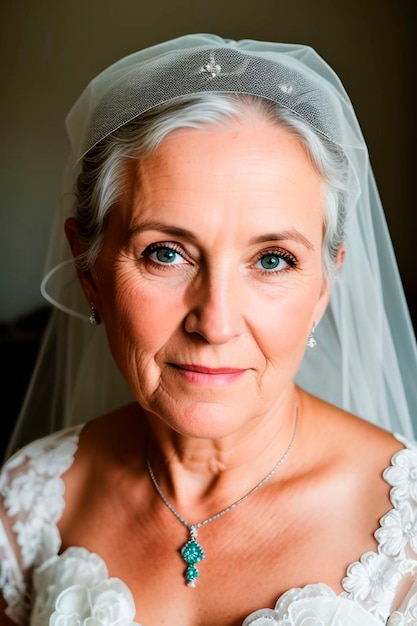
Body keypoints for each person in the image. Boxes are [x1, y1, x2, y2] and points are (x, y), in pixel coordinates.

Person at [1, 33, 417, 626]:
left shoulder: (409, 529)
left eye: (272, 259)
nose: (215, 324)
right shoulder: (25, 506)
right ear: (89, 270)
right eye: (166, 253)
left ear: (325, 285)